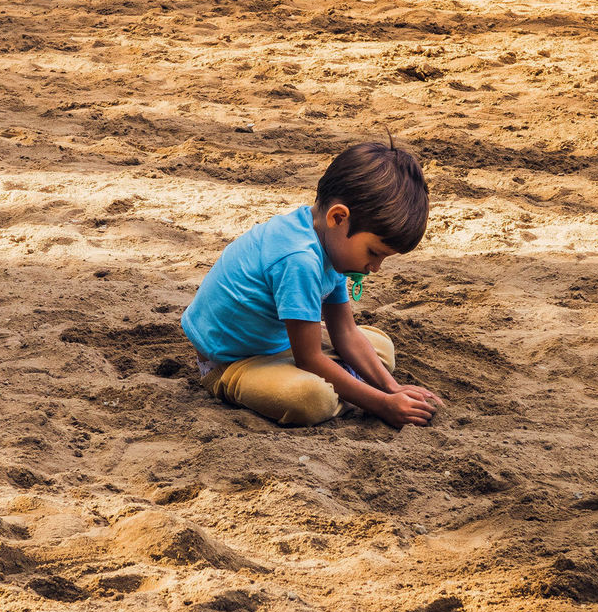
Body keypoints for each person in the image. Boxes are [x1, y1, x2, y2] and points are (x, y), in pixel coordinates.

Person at [181, 141, 442, 428]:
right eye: (374, 252)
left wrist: (393, 389)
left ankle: (347, 384)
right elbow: (309, 358)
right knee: (312, 398)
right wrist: (382, 404)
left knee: (381, 348)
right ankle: (347, 387)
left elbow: (344, 330)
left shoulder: (327, 240)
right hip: (233, 362)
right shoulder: (299, 258)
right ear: (338, 217)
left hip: (282, 343)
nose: (375, 268)